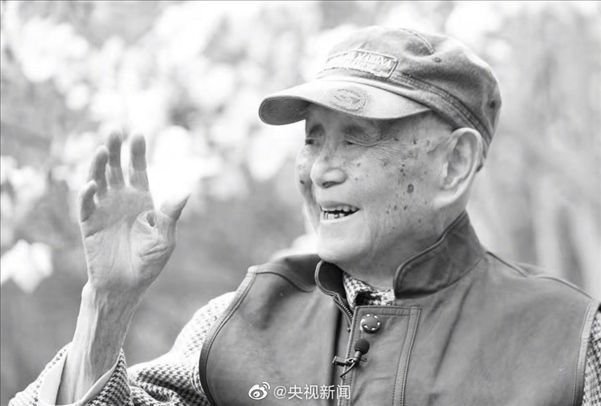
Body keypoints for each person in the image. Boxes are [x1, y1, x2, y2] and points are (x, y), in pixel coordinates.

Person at [10, 25, 600, 406]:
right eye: (314, 139)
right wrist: (106, 306)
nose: (320, 170)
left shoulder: (570, 339)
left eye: (355, 138)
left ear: (454, 164)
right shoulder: (236, 327)